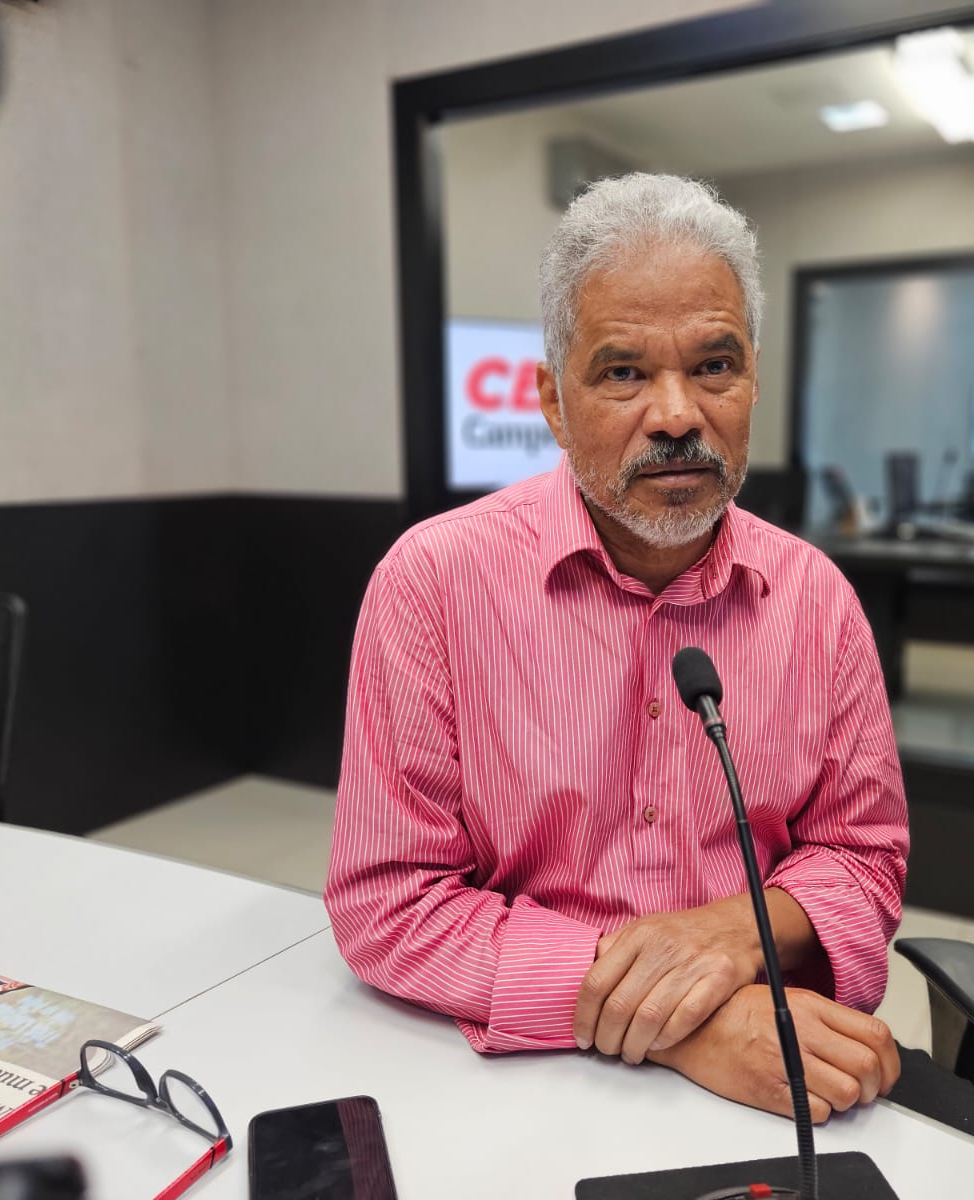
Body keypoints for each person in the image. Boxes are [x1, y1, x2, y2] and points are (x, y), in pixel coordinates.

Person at [325, 172, 909, 1123]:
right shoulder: (431, 583)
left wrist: (730, 938)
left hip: (765, 1069)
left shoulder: (821, 602)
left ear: (753, 377)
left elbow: (862, 859)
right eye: (624, 372)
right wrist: (686, 1019)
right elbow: (389, 902)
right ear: (553, 403)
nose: (678, 415)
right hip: (503, 1074)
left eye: (714, 366)